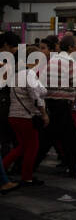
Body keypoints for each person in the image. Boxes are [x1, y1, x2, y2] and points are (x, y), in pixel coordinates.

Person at [37, 34, 76, 178]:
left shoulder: (53, 60)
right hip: (62, 105)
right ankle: (75, 169)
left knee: (50, 138)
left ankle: (26, 165)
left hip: (51, 103)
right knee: (72, 141)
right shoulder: (70, 62)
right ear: (71, 47)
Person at [4, 48, 48, 186]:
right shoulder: (29, 75)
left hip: (14, 115)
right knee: (32, 146)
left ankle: (3, 169)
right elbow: (36, 97)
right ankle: (27, 177)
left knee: (22, 146)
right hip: (26, 117)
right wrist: (44, 114)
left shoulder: (17, 75)